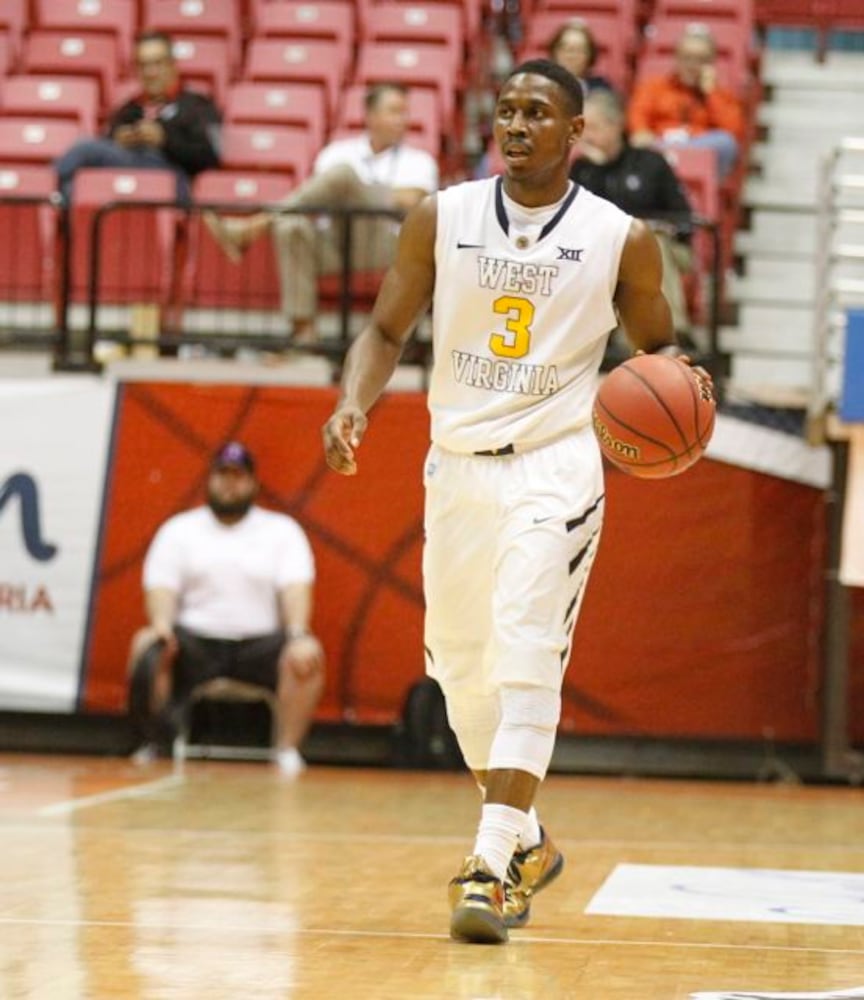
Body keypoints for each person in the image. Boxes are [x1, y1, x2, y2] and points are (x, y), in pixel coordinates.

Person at [322, 59, 711, 943]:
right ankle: (529, 841)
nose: (517, 125)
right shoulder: (442, 216)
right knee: (459, 670)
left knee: (528, 652)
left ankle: (490, 865)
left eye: (538, 112)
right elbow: (385, 329)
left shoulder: (622, 238)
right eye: (506, 110)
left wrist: (682, 391)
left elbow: (660, 353)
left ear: (577, 133)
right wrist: (354, 402)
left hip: (556, 465)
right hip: (456, 463)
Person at [127, 441, 324, 777]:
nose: (229, 483)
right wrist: (162, 627)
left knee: (307, 653)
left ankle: (287, 750)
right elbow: (160, 587)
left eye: (238, 475)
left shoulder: (282, 532)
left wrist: (297, 633)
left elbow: (296, 588)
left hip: (260, 645)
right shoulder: (179, 530)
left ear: (253, 483)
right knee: (147, 645)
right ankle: (156, 742)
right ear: (209, 479)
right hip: (195, 643)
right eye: (222, 474)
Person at [205, 82, 440, 344]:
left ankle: (256, 225)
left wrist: (355, 189)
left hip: (387, 244)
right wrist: (376, 193)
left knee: (343, 176)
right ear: (370, 115)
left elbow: (415, 200)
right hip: (336, 237)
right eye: (394, 111)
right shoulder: (337, 151)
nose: (402, 120)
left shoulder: (419, 159)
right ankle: (303, 333)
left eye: (405, 112)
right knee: (291, 226)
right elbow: (313, 202)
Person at [571, 88, 696, 344]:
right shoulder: (582, 170)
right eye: (582, 128)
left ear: (616, 125)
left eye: (593, 128)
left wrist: (653, 230)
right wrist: (598, 171)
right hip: (600, 251)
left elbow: (684, 219)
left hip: (665, 252)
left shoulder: (651, 163)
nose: (586, 137)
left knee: (647, 243)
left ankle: (670, 334)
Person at [55, 31, 222, 203]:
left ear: (173, 65)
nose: (150, 73)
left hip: (172, 180)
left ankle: (45, 187)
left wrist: (164, 141)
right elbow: (108, 144)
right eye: (143, 65)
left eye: (157, 63)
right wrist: (119, 139)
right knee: (74, 189)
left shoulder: (198, 105)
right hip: (124, 181)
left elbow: (212, 156)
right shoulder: (129, 108)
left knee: (86, 148)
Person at [627, 23, 744, 178]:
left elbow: (732, 133)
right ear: (677, 58)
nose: (692, 65)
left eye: (700, 60)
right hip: (659, 150)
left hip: (699, 159)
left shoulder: (720, 94)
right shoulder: (654, 87)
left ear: (711, 63)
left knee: (726, 143)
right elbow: (637, 119)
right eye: (686, 58)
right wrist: (642, 133)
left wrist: (710, 94)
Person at [547, 18, 615, 94]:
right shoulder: (540, 84)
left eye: (579, 50)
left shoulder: (602, 90)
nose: (571, 56)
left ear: (590, 56)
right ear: (554, 51)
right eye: (566, 49)